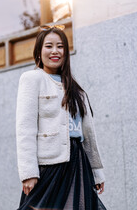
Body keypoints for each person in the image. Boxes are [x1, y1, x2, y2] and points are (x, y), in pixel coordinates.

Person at [16, 25, 107, 210]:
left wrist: (96, 172)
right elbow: (25, 129)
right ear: (39, 51)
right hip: (49, 166)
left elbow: (88, 136)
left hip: (78, 163)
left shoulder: (77, 90)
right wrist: (28, 172)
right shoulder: (32, 79)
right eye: (49, 46)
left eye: (60, 46)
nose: (55, 51)